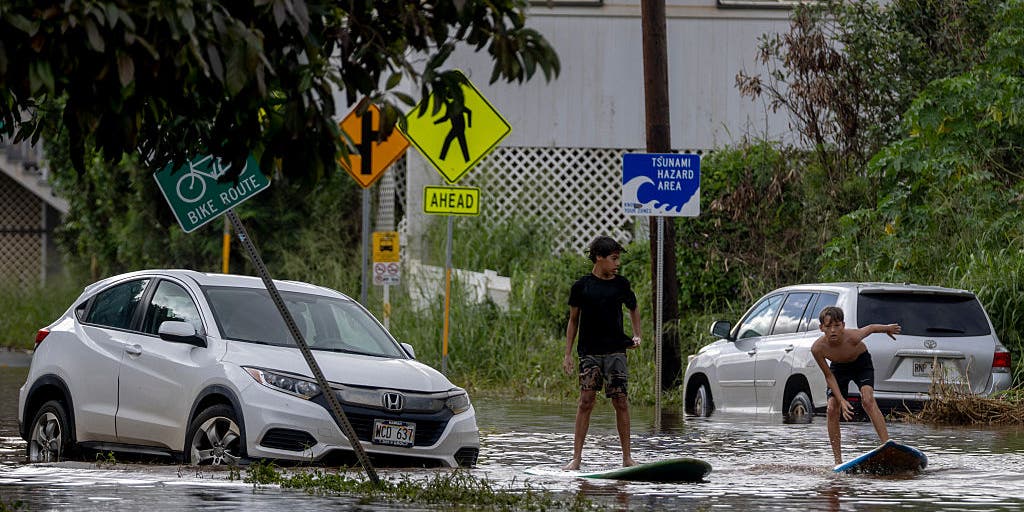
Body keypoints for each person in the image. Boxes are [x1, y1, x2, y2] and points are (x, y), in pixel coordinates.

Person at [562, 235, 642, 470]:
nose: (617, 264)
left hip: (616, 351)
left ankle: (627, 457)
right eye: (614, 259)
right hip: (589, 353)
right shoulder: (581, 286)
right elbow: (573, 321)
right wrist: (568, 354)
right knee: (586, 401)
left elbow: (633, 308)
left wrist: (637, 335)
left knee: (621, 401)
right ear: (599, 258)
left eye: (618, 259)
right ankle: (576, 458)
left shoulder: (621, 284)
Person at [811, 305, 901, 465]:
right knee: (832, 408)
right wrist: (841, 400)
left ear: (843, 326)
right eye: (828, 326)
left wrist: (887, 328)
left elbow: (871, 328)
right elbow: (829, 376)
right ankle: (837, 460)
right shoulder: (817, 348)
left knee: (867, 400)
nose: (833, 330)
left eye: (837, 326)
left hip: (861, 364)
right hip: (838, 369)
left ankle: (888, 445)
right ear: (821, 328)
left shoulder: (852, 337)